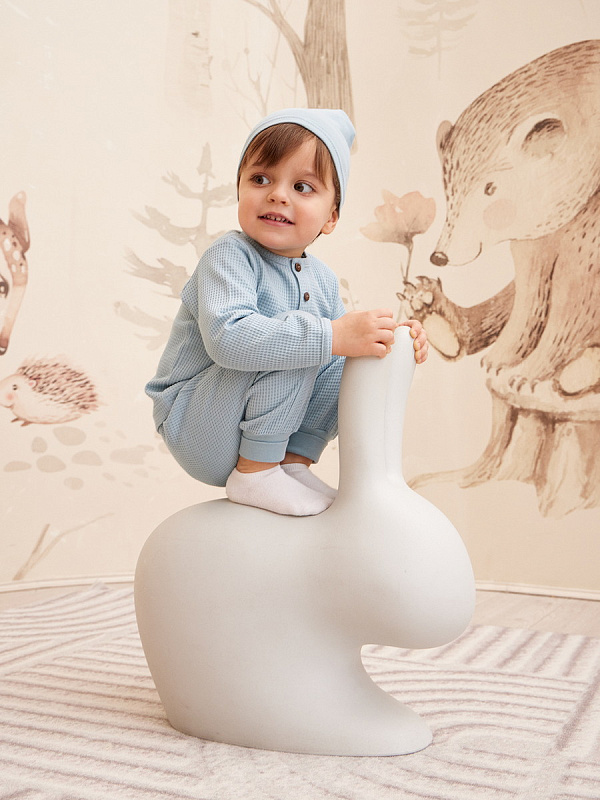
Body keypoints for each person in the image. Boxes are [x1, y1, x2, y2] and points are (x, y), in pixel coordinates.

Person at [146, 108, 429, 516]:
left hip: (262, 430)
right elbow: (229, 339)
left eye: (302, 186)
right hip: (193, 421)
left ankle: (292, 462)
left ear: (331, 217)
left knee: (343, 356)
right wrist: (330, 336)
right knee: (309, 338)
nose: (278, 195)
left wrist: (390, 338)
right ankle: (256, 473)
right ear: (239, 189)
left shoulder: (323, 279)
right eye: (261, 179)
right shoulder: (229, 256)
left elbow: (337, 352)